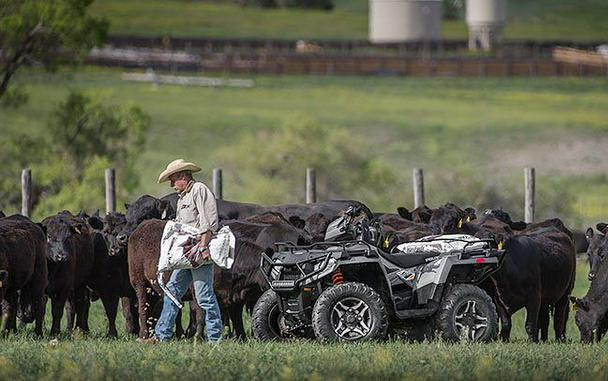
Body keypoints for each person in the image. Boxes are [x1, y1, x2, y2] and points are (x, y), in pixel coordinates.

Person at [153, 159, 223, 342]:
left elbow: (208, 221)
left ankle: (215, 338)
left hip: (199, 251)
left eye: (173, 179)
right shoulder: (183, 197)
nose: (171, 184)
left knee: (204, 295)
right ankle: (161, 336)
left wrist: (204, 246)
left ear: (183, 176)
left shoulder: (199, 190)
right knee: (172, 290)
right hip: (186, 253)